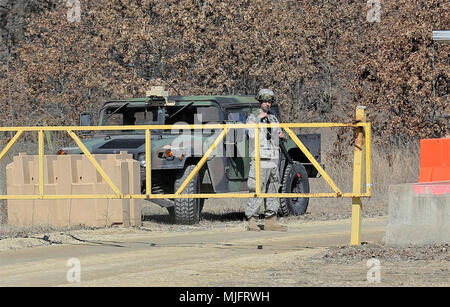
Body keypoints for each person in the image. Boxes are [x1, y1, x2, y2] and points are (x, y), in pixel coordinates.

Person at [245, 88, 287, 232]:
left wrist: (282, 135)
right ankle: (252, 220)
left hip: (273, 158)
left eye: (269, 102)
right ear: (260, 102)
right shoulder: (252, 117)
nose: (267, 104)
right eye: (265, 101)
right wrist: (259, 120)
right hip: (259, 158)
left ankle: (271, 220)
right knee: (256, 188)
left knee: (273, 188)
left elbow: (280, 134)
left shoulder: (274, 118)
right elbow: (250, 134)